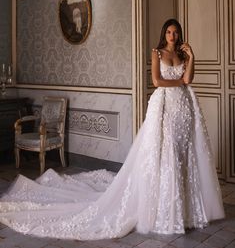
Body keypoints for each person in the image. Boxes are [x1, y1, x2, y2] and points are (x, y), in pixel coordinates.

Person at [0, 19, 224, 240]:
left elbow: (188, 78)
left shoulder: (184, 55)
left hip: (183, 110)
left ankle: (185, 212)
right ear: (164, 34)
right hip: (165, 108)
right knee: (167, 155)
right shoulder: (157, 53)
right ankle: (165, 213)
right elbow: (157, 81)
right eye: (168, 32)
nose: (172, 36)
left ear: (179, 34)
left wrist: (192, 57)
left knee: (184, 156)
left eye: (175, 32)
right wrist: (180, 83)